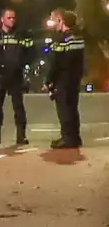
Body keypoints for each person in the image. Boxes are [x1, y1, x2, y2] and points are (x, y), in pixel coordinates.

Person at [0, 8, 32, 146]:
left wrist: (23, 64)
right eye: (9, 18)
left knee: (18, 107)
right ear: (2, 19)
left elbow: (30, 50)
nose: (12, 20)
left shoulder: (21, 34)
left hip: (15, 75)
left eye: (14, 18)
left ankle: (21, 136)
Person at [45, 8, 84, 149]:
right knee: (73, 108)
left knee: (64, 109)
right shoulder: (78, 37)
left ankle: (67, 138)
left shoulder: (61, 39)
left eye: (53, 19)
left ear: (61, 20)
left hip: (62, 79)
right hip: (74, 78)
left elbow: (56, 63)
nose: (52, 23)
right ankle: (74, 137)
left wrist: (48, 81)